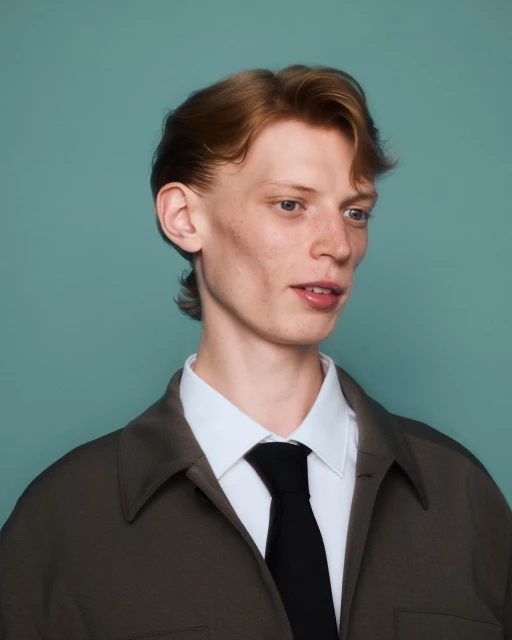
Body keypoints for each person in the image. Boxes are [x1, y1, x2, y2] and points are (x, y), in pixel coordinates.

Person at [1, 64, 510, 640]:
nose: (338, 245)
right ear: (184, 218)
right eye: (291, 204)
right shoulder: (63, 520)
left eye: (355, 212)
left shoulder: (461, 496)